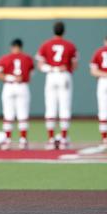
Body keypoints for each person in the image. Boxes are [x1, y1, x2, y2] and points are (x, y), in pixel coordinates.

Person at [36, 21, 78, 150]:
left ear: (53, 30)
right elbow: (74, 65)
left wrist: (51, 68)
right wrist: (62, 68)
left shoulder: (46, 44)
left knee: (50, 107)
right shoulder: (70, 45)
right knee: (64, 107)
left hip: (51, 75)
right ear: (63, 31)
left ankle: (50, 139)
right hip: (64, 75)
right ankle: (64, 139)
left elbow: (40, 65)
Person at [0, 38, 34, 150]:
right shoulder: (27, 58)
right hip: (22, 86)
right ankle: (23, 141)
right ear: (21, 47)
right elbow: (30, 73)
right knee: (23, 115)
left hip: (9, 86)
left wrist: (10, 77)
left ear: (12, 47)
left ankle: (7, 141)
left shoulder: (5, 58)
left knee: (8, 115)